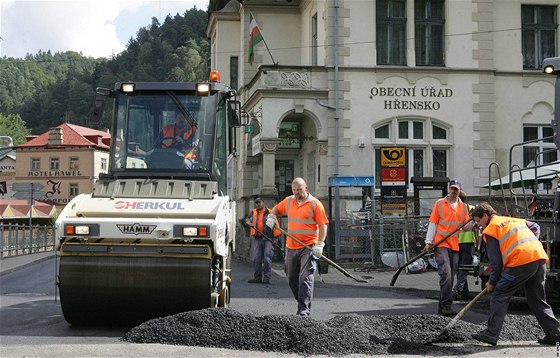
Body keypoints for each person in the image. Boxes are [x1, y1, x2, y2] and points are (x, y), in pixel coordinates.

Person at [470, 202, 560, 346]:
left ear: (485, 216)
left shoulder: (491, 229)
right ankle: (554, 332)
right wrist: (529, 246)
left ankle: (491, 334)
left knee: (500, 294)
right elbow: (535, 227)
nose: (479, 225)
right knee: (536, 299)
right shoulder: (513, 220)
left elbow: (496, 262)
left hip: (521, 261)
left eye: (479, 221)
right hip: (538, 257)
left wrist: (492, 282)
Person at [266, 177, 329, 317]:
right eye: (294, 190)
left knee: (305, 277)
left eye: (299, 190)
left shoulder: (315, 204)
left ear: (306, 188)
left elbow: (323, 225)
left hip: (309, 246)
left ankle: (304, 309)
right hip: (291, 246)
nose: (296, 193)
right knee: (291, 278)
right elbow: (276, 209)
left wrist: (320, 244)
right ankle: (301, 300)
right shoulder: (289, 201)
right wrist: (271, 216)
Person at [423, 179, 472, 317]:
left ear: (460, 190)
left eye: (456, 189)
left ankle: (442, 306)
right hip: (441, 244)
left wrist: (474, 221)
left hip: (454, 245)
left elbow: (465, 228)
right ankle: (446, 305)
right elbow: (433, 223)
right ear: (449, 189)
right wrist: (428, 241)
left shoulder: (463, 208)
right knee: (446, 274)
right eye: (452, 188)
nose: (454, 191)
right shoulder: (439, 204)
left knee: (450, 276)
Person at [247, 197, 282, 284]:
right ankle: (257, 277)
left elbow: (276, 227)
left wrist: (275, 239)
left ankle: (266, 278)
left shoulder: (270, 213)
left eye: (259, 202)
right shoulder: (253, 212)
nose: (258, 204)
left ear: (264, 202)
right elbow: (247, 219)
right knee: (257, 258)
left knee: (267, 258)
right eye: (256, 203)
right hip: (258, 238)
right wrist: (248, 223)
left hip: (268, 239)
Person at [452, 191, 477, 300]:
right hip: (468, 242)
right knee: (465, 266)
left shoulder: (454, 209)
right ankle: (460, 290)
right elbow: (475, 226)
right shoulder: (471, 208)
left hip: (456, 241)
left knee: (459, 267)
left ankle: (462, 290)